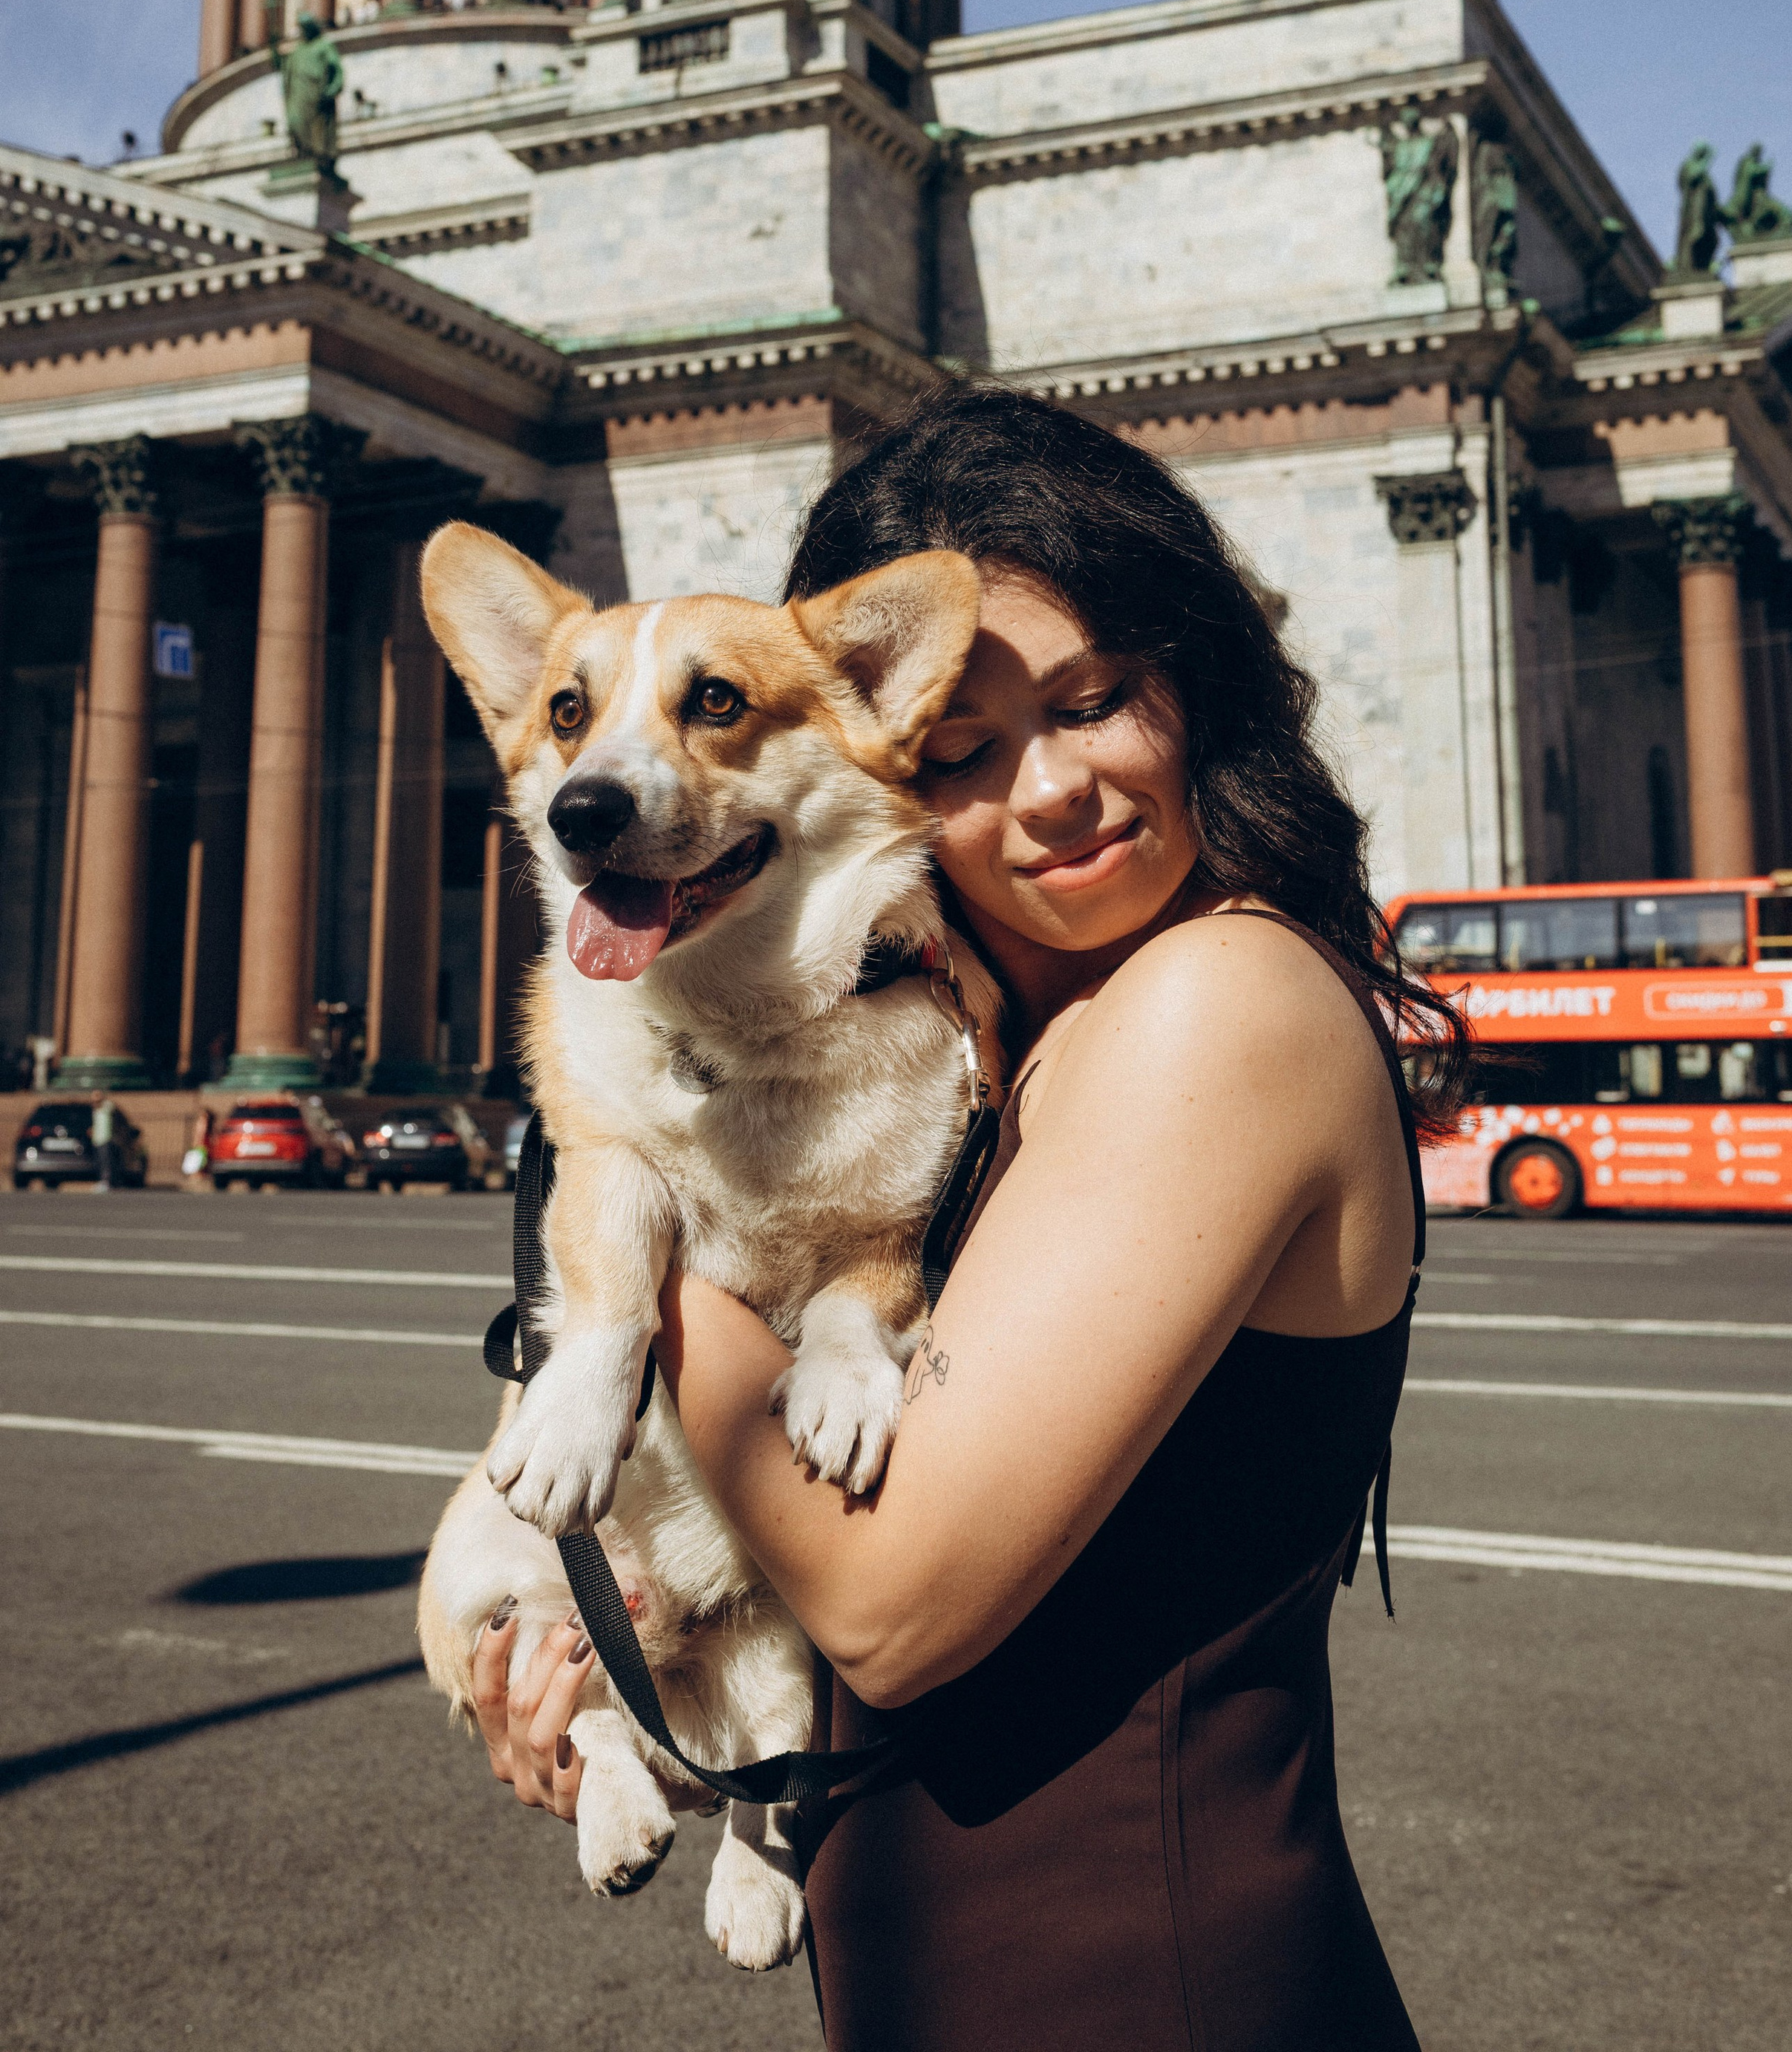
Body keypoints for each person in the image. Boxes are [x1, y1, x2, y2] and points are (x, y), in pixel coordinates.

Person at [473, 385, 1464, 2050]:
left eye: (1096, 701)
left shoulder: (1214, 1004)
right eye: (963, 752)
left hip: (1140, 1979)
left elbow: (892, 1601)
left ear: (1195, 682)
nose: (1051, 789)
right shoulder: (1019, 1027)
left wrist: (610, 1182)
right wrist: (599, 1631)